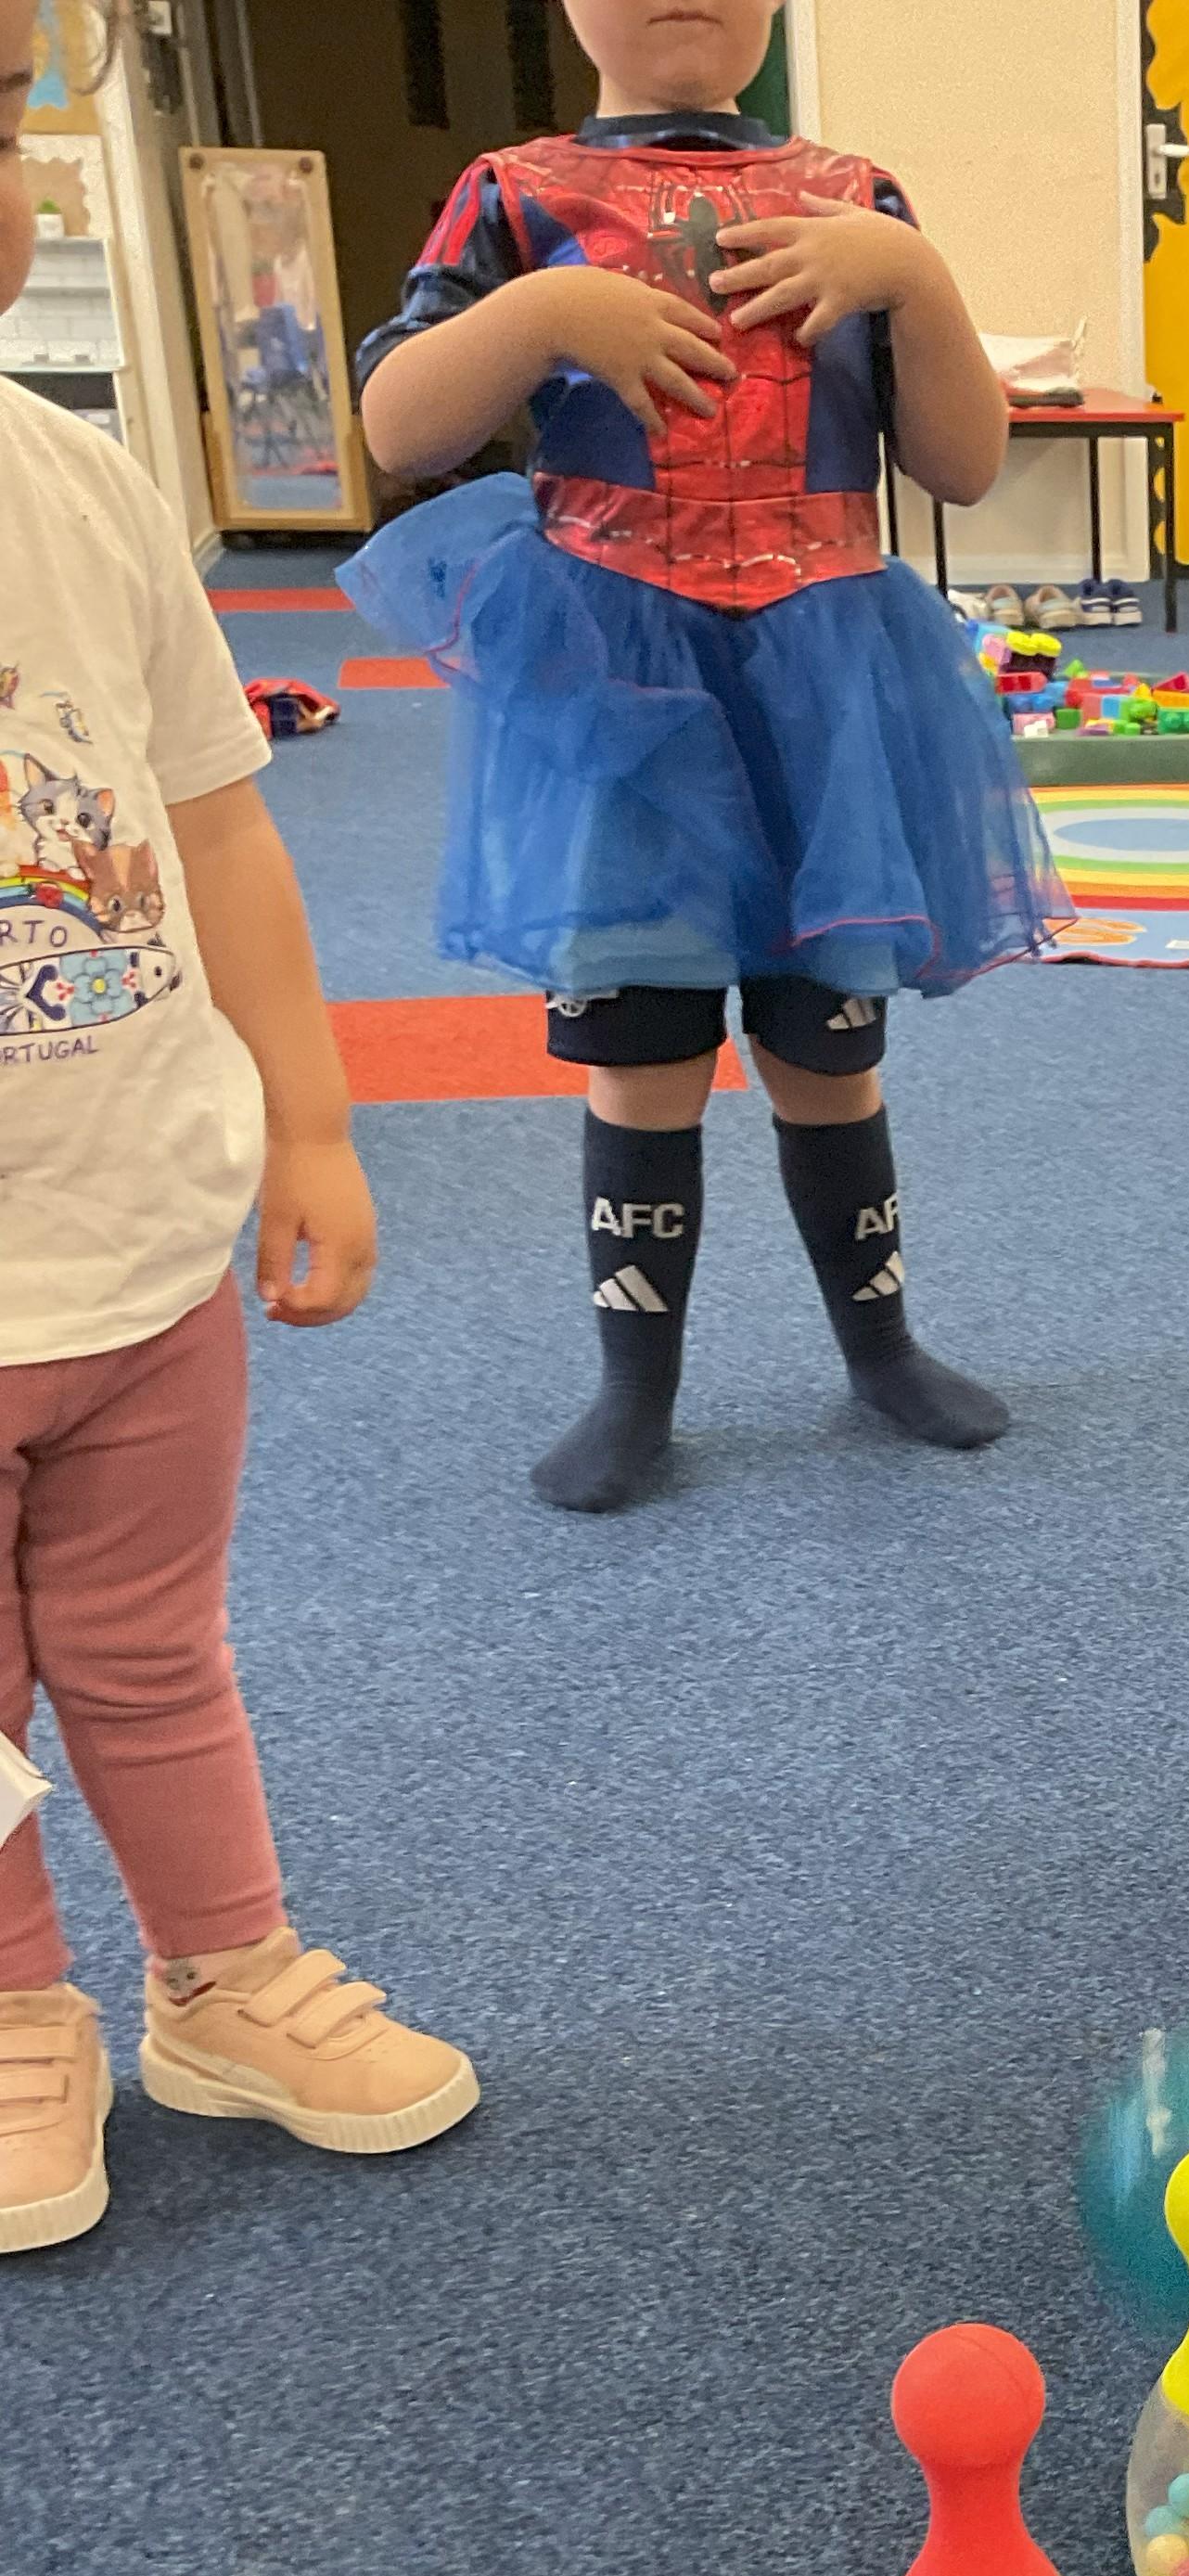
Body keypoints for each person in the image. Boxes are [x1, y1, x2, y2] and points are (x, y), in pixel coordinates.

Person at [0, 0, 476, 2256]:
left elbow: (219, 824)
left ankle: (221, 1977)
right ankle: (17, 2012)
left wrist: (311, 1125)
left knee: (151, 1645)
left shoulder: (78, 483)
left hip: (137, 1237)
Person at [350, 0, 1056, 1513]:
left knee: (827, 1049)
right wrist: (541, 313)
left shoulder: (856, 197)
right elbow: (401, 427)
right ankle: (636, 1389)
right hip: (619, 688)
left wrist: (917, 278)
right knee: (645, 1056)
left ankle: (882, 1350)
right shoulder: (516, 191)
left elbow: (962, 462)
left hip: (821, 681)